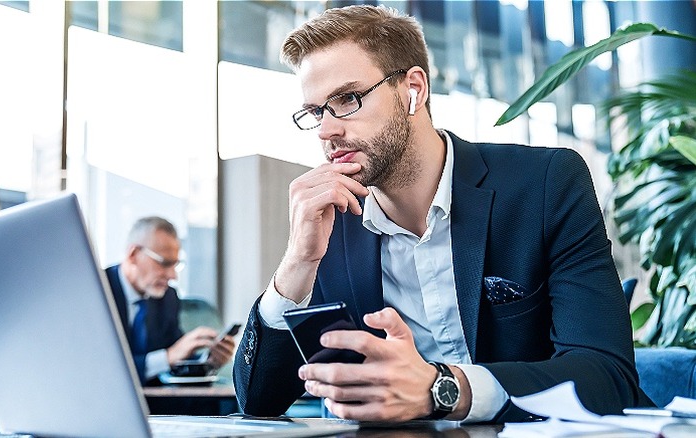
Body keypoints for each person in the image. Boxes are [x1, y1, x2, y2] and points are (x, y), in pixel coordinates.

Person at [233, 4, 652, 423]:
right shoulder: (332, 223)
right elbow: (258, 403)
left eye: (347, 99)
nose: (326, 130)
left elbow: (607, 378)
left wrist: (443, 388)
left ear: (414, 88)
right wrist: (297, 264)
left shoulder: (544, 184)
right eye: (315, 112)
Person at [107, 216, 235, 384]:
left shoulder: (167, 298)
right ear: (133, 255)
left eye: (175, 265)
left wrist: (208, 361)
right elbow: (100, 367)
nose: (172, 276)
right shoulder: (97, 290)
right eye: (164, 263)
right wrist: (167, 357)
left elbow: (176, 356)